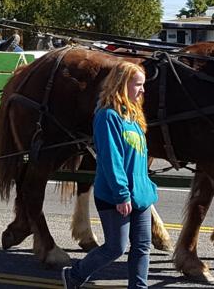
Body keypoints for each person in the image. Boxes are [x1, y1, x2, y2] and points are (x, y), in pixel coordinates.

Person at [61, 62, 157, 289]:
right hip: (115, 195)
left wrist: (147, 187)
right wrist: (122, 194)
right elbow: (111, 159)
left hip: (141, 195)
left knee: (143, 246)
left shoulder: (134, 115)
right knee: (115, 248)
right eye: (138, 85)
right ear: (122, 85)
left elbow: (139, 159)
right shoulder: (107, 117)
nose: (143, 90)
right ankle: (75, 274)